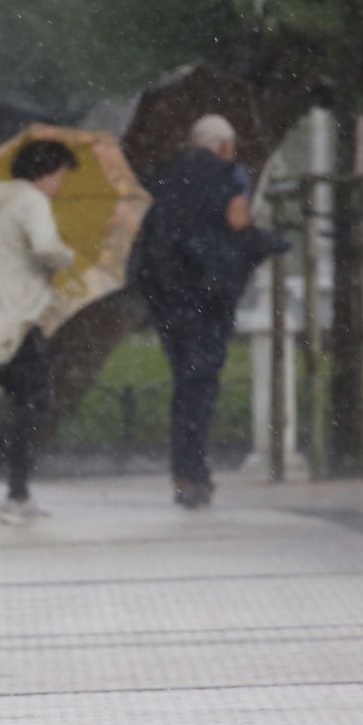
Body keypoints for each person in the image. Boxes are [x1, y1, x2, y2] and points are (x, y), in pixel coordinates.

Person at [128, 114, 255, 509]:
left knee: (184, 381)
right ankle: (193, 472)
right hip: (209, 297)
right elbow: (239, 224)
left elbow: (146, 234)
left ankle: (184, 472)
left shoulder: (160, 176)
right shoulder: (230, 175)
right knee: (199, 386)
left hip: (166, 296)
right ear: (221, 146)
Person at [0, 140, 78, 523]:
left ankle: (19, 494)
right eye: (59, 177)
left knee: (23, 402)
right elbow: (45, 247)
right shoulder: (32, 202)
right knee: (38, 403)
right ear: (45, 173)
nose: (59, 187)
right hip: (19, 318)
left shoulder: (3, 205)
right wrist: (65, 256)